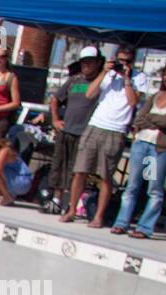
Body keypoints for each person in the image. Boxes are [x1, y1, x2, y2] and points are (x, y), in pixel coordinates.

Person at [61, 47, 146, 228]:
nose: (123, 64)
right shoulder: (107, 75)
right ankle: (72, 210)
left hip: (116, 130)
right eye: (120, 60)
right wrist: (105, 72)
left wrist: (127, 79)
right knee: (80, 170)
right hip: (95, 125)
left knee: (106, 175)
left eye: (127, 61)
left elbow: (133, 102)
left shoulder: (139, 78)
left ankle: (98, 216)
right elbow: (90, 93)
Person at [111, 62, 166, 239]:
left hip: (160, 149)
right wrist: (154, 119)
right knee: (132, 185)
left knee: (154, 189)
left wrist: (150, 119)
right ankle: (121, 223)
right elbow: (139, 118)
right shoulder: (157, 95)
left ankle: (145, 227)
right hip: (141, 143)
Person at [46, 47, 102, 216]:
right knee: (59, 165)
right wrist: (55, 119)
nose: (86, 65)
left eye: (90, 61)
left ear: (98, 63)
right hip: (67, 129)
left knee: (76, 170)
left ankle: (72, 203)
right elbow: (55, 99)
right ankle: (56, 199)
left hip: (85, 133)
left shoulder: (101, 83)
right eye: (84, 61)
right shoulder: (74, 80)